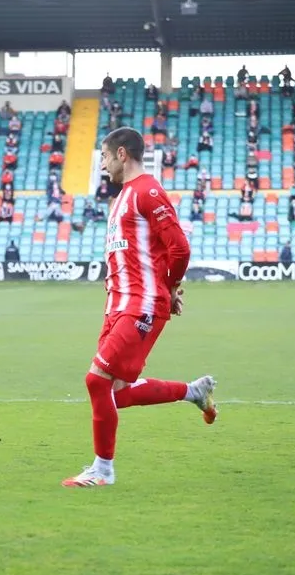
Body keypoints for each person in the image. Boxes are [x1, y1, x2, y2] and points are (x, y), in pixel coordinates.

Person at [63, 127, 218, 488]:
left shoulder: (147, 191)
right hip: (117, 305)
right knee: (115, 392)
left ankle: (103, 470)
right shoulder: (121, 198)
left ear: (122, 154)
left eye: (104, 157)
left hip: (141, 305)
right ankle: (193, 391)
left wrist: (170, 288)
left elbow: (179, 247)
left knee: (95, 381)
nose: (102, 165)